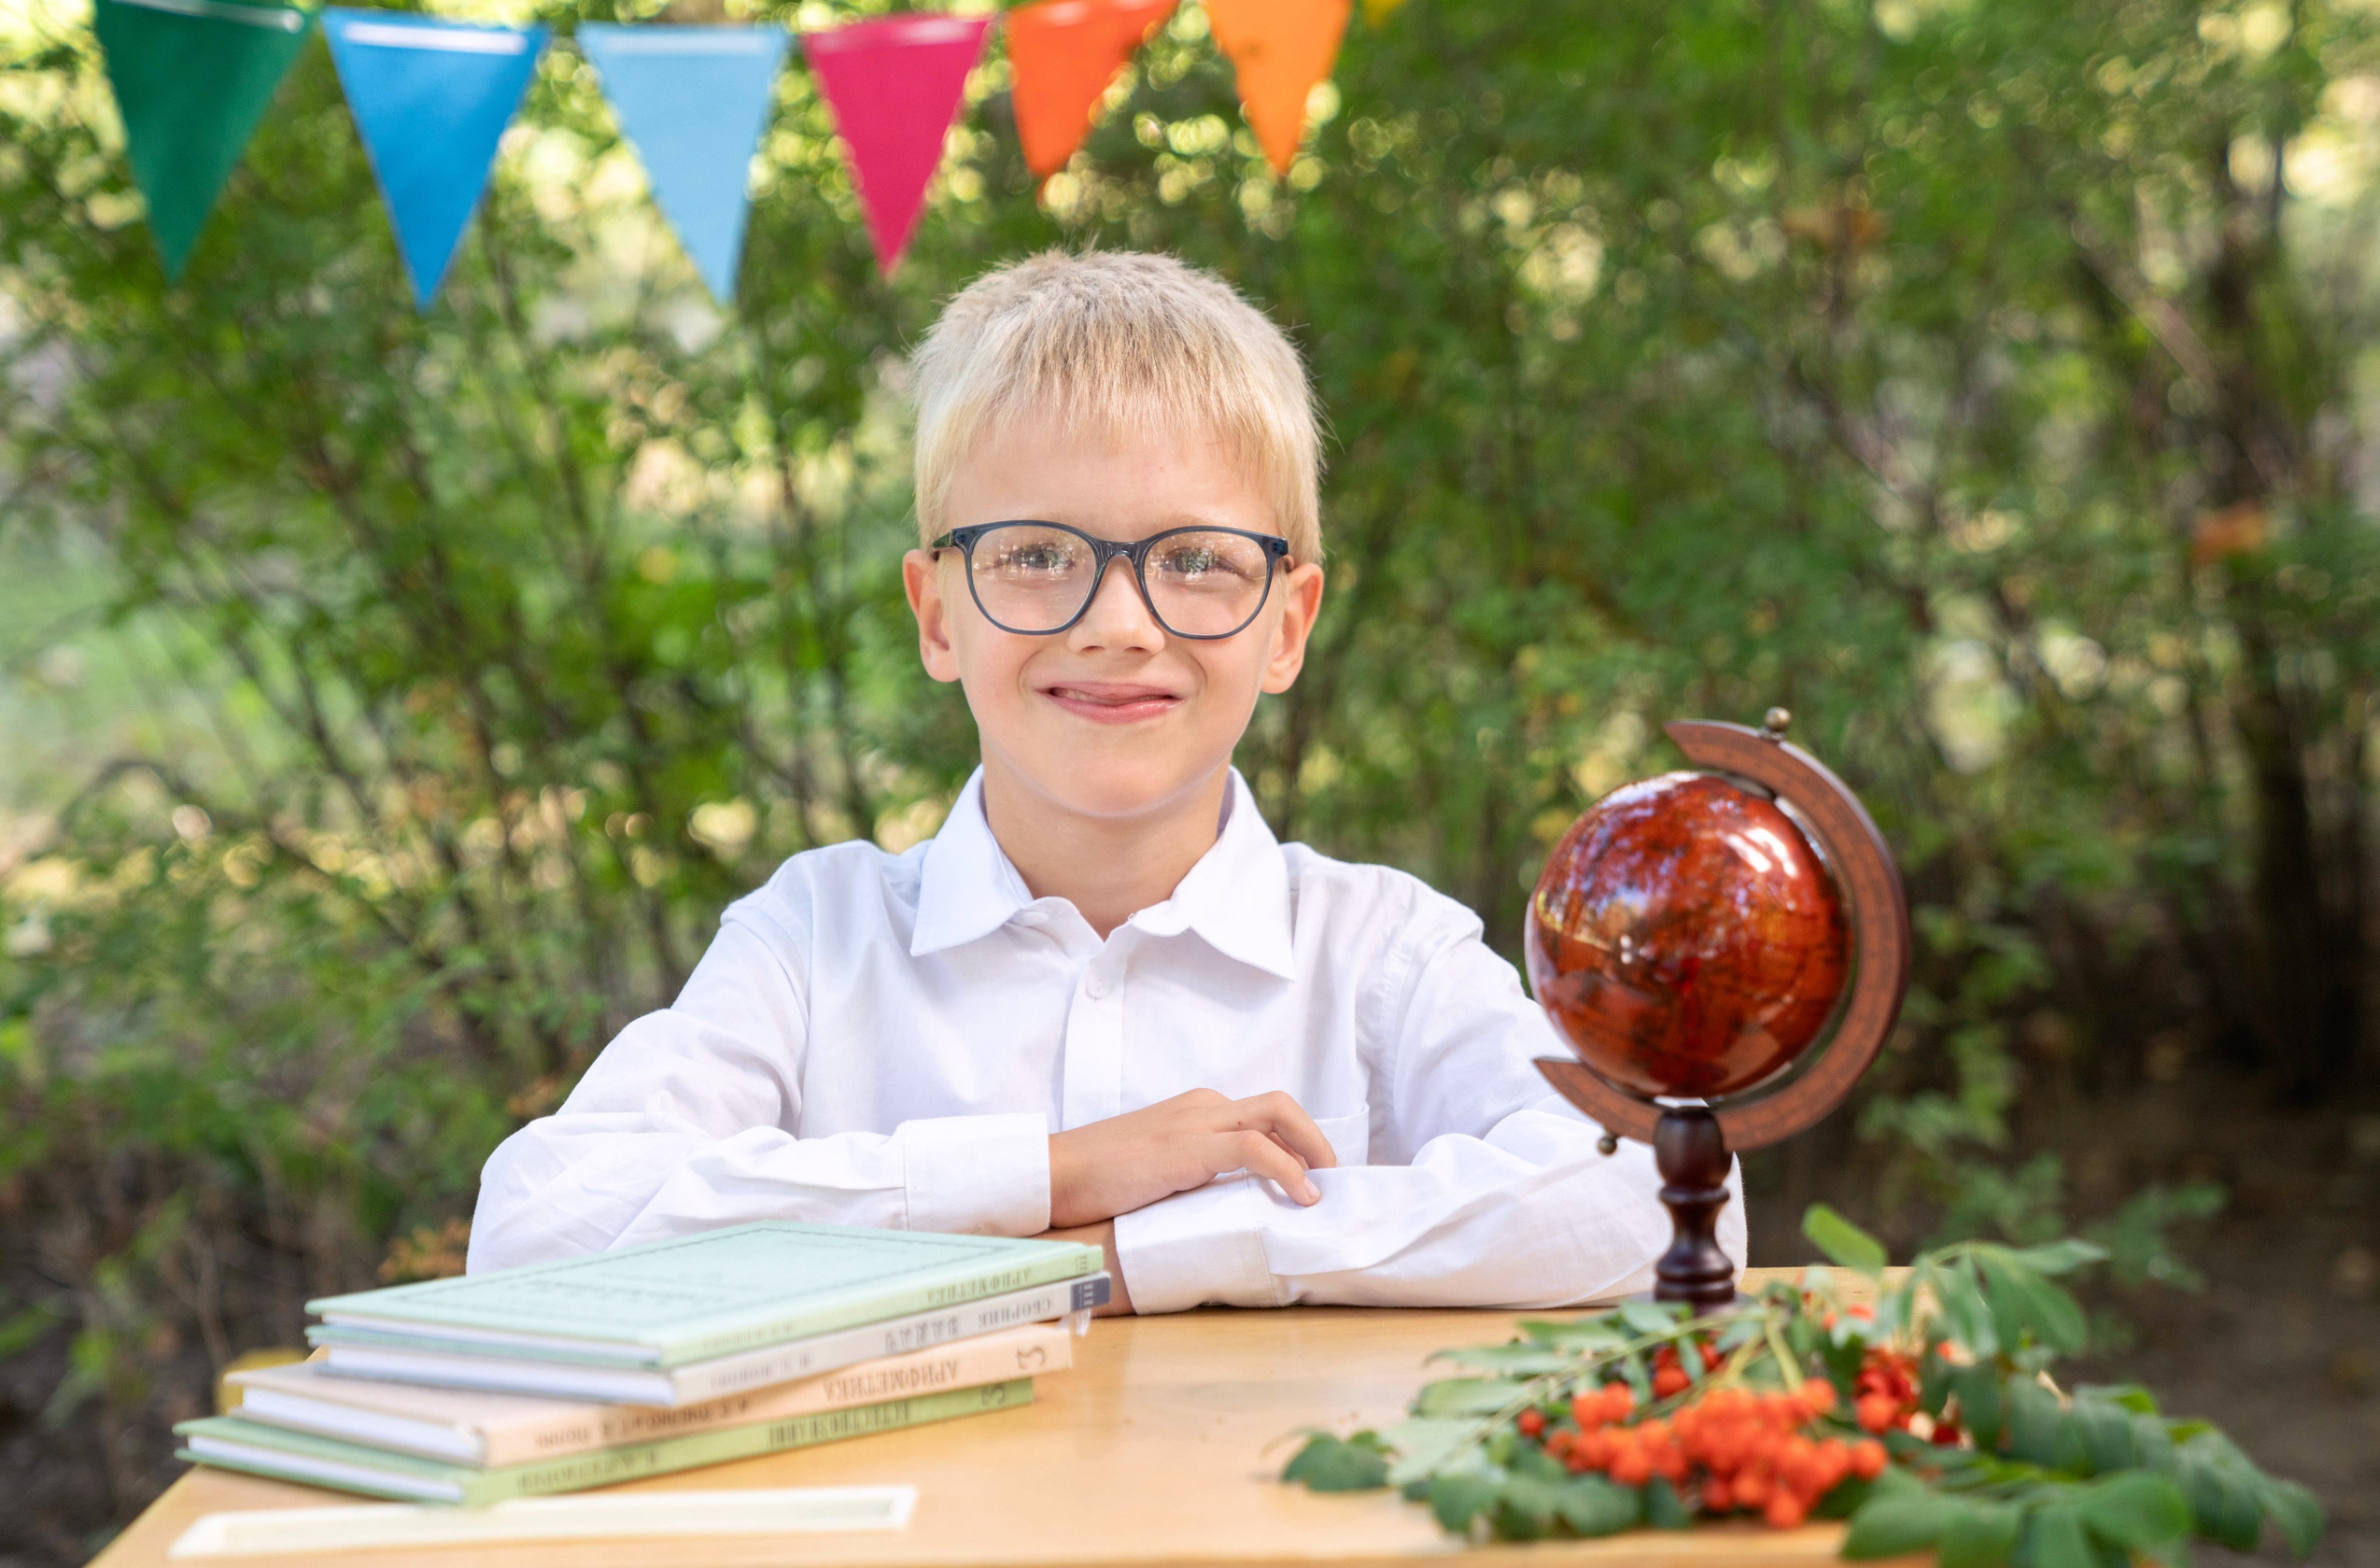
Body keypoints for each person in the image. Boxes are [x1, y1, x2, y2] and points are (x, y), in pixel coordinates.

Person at [466, 250, 1744, 1310]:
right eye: (1034, 554)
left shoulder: (1376, 950)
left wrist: (1143, 1254)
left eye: (1195, 560)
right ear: (936, 616)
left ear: (1287, 623)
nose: (1121, 621)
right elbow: (542, 1229)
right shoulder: (819, 940)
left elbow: (1666, 1197)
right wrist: (1054, 1171)